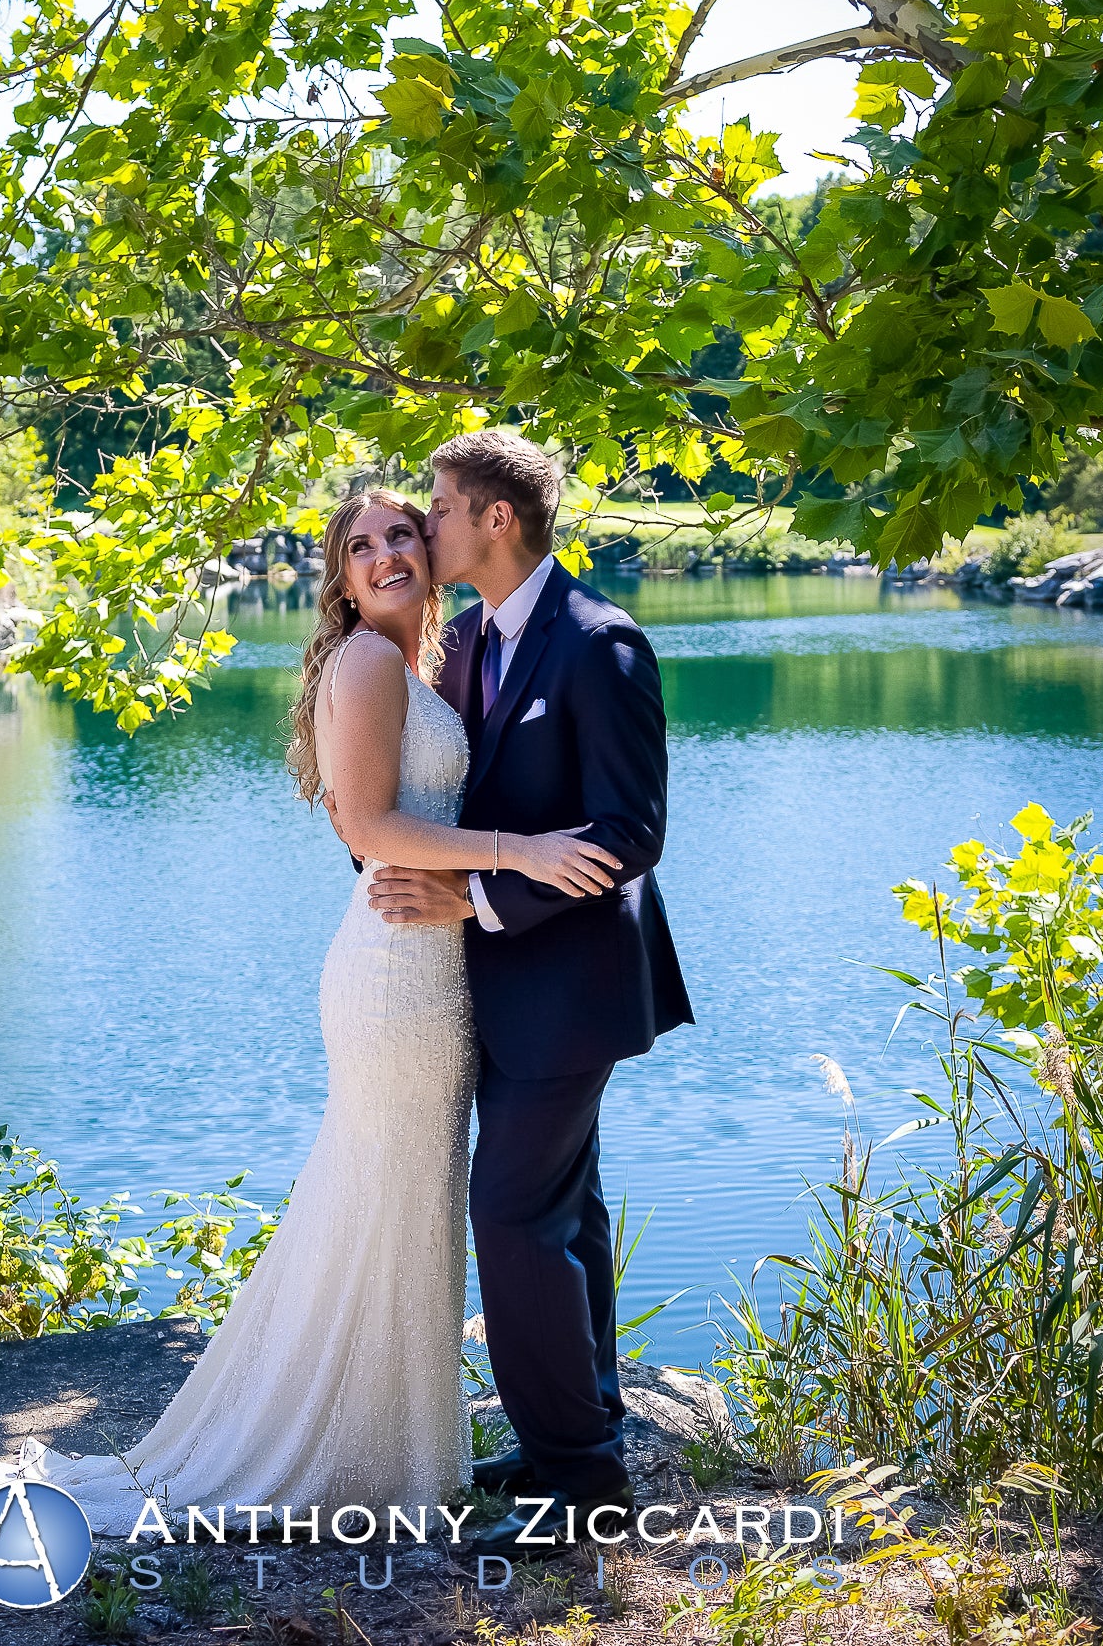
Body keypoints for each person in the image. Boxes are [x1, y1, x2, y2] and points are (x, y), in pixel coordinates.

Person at [0, 484, 621, 1536]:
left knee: (401, 1199)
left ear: (431, 547)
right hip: (396, 979)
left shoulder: (423, 664)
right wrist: (519, 853)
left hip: (432, 961)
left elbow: (383, 820)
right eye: (357, 546)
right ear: (339, 575)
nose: (381, 556)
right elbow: (366, 822)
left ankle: (401, 1441)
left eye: (399, 534)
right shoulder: (367, 661)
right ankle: (344, 1447)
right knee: (386, 1192)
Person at [343, 429, 692, 1552]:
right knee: (566, 1205)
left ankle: (582, 1495)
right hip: (484, 985)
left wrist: (481, 904)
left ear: (494, 519)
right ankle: (573, 1431)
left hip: (572, 985)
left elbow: (625, 832)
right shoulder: (468, 645)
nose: (423, 529)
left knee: (512, 1213)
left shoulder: (598, 643)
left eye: (435, 510)